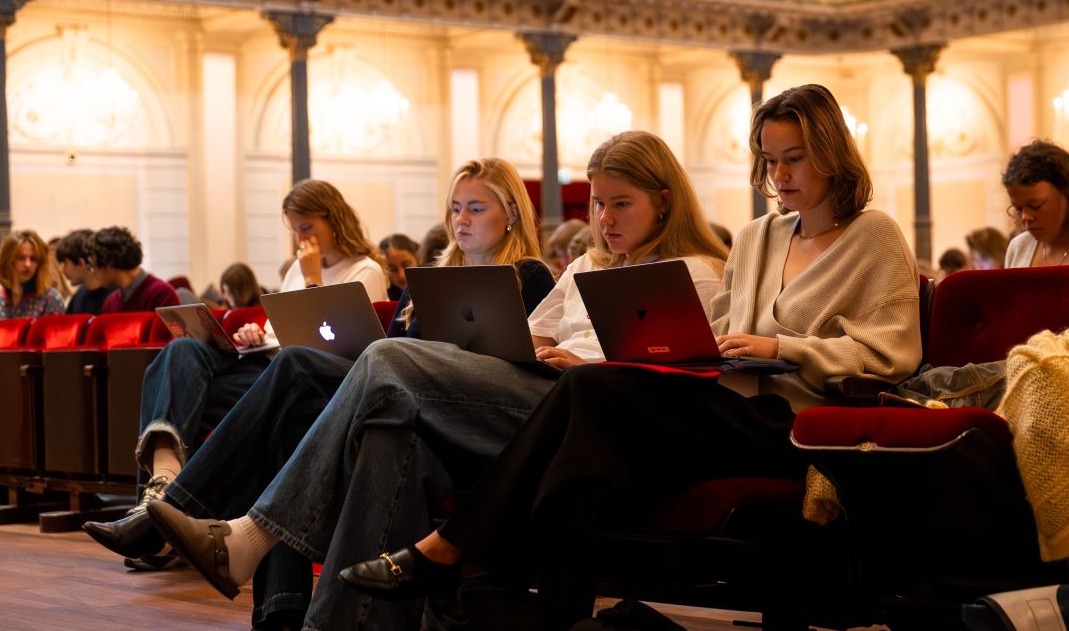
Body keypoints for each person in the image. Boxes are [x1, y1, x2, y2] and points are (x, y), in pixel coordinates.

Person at [339, 84, 923, 631]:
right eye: (770, 160)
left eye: (794, 158)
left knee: (589, 392)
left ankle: (455, 552)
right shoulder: (757, 237)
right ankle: (553, 612)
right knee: (588, 445)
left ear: (832, 155)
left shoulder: (873, 235)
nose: (779, 174)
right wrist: (686, 347)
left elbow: (892, 351)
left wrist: (783, 346)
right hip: (724, 400)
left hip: (794, 424)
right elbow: (717, 331)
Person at [138, 134, 728, 631]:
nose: (604, 219)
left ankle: (242, 532)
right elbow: (528, 338)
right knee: (390, 433)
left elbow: (670, 374)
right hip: (533, 387)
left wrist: (583, 361)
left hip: (580, 415)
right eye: (598, 204)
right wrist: (548, 349)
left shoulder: (694, 271)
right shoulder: (587, 265)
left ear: (665, 202)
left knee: (387, 360)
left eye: (620, 205)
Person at [85, 157, 558, 628]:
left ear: (511, 213)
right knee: (275, 387)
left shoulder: (529, 275)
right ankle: (280, 610)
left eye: (477, 208)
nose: (461, 220)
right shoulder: (426, 279)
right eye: (455, 208)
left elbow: (517, 369)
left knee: (295, 377)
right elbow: (386, 345)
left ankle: (172, 514)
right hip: (390, 396)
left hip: (458, 415)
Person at [92, 180, 385, 571]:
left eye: (307, 227)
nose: (301, 238)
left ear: (334, 220)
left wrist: (313, 277)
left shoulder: (366, 270)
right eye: (295, 229)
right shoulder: (297, 269)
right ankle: (159, 488)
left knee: (199, 382)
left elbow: (335, 344)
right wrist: (257, 333)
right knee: (181, 353)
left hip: (312, 382)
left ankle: (158, 525)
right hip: (271, 364)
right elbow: (283, 326)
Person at [93, 227, 184, 314]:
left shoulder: (162, 295)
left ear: (108, 264)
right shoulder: (111, 302)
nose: (93, 272)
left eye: (93, 266)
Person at [0, 230, 66, 321]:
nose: (28, 264)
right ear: (7, 260)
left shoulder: (51, 299)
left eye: (33, 259)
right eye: (21, 258)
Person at [54, 229, 111, 315]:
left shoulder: (115, 297)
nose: (62, 270)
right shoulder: (78, 296)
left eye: (65, 263)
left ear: (81, 263)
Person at [379, 234, 421, 301]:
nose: (401, 275)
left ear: (417, 259)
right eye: (392, 269)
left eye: (406, 265)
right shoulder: (384, 295)